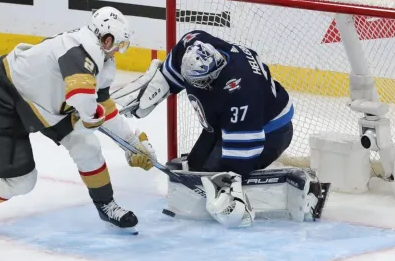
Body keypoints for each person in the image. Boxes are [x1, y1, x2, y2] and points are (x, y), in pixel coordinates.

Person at [0, 7, 156, 234]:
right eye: (118, 45)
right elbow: (85, 103)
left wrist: (132, 143)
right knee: (21, 182)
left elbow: (103, 109)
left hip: (43, 105)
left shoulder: (96, 56)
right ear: (106, 38)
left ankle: (105, 204)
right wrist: (94, 117)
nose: (118, 52)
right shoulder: (77, 50)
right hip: (3, 99)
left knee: (87, 146)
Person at [112, 30, 299, 227]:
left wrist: (227, 184)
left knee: (213, 177)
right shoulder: (192, 43)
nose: (199, 86)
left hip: (271, 131)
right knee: (195, 169)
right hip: (225, 123)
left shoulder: (241, 92)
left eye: (203, 82)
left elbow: (242, 155)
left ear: (217, 70)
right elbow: (170, 73)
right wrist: (148, 91)